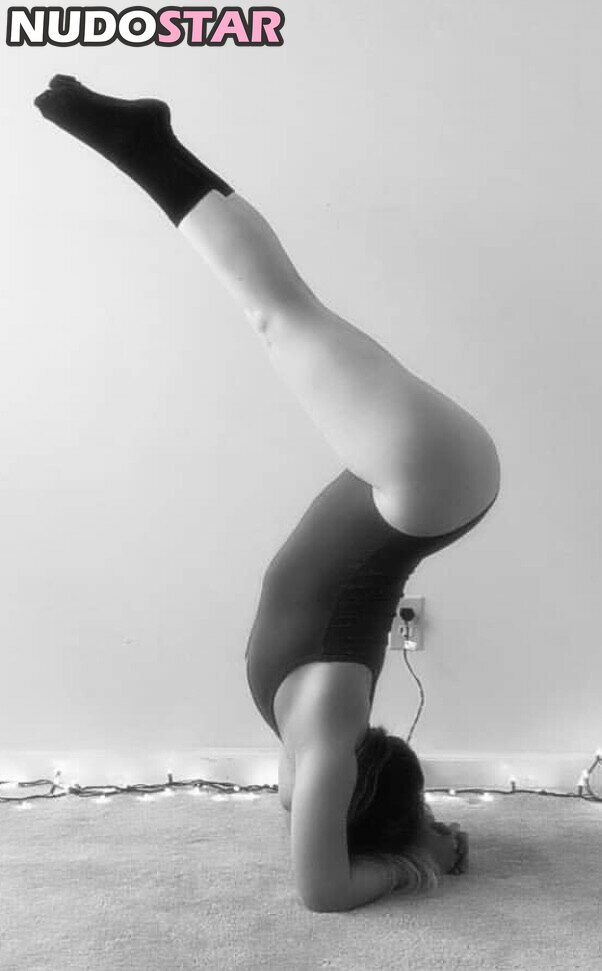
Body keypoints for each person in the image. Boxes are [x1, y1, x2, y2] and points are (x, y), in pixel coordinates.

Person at [34, 75, 500, 912]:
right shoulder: (322, 731)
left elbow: (321, 880)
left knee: (281, 313)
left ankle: (148, 145)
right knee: (279, 313)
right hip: (414, 481)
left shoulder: (321, 742)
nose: (430, 801)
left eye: (421, 806)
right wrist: (415, 849)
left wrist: (414, 851)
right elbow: (324, 859)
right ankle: (145, 146)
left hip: (414, 482)